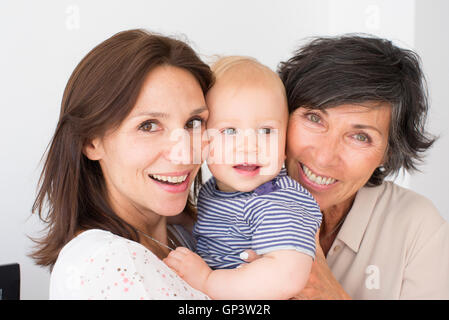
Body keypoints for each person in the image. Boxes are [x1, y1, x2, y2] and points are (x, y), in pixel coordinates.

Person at [30, 29, 213, 299]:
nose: (185, 154)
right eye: (149, 126)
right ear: (91, 141)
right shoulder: (107, 263)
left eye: (193, 123)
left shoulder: (188, 234)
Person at [278, 34, 449, 299]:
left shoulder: (419, 229)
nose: (324, 158)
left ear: (388, 152)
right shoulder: (225, 203)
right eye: (314, 118)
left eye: (360, 137)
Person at [163, 56, 322, 299]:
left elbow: (287, 277)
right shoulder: (213, 190)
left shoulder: (276, 202)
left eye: (266, 130)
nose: (249, 147)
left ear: (286, 142)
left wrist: (207, 280)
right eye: (229, 131)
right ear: (203, 139)